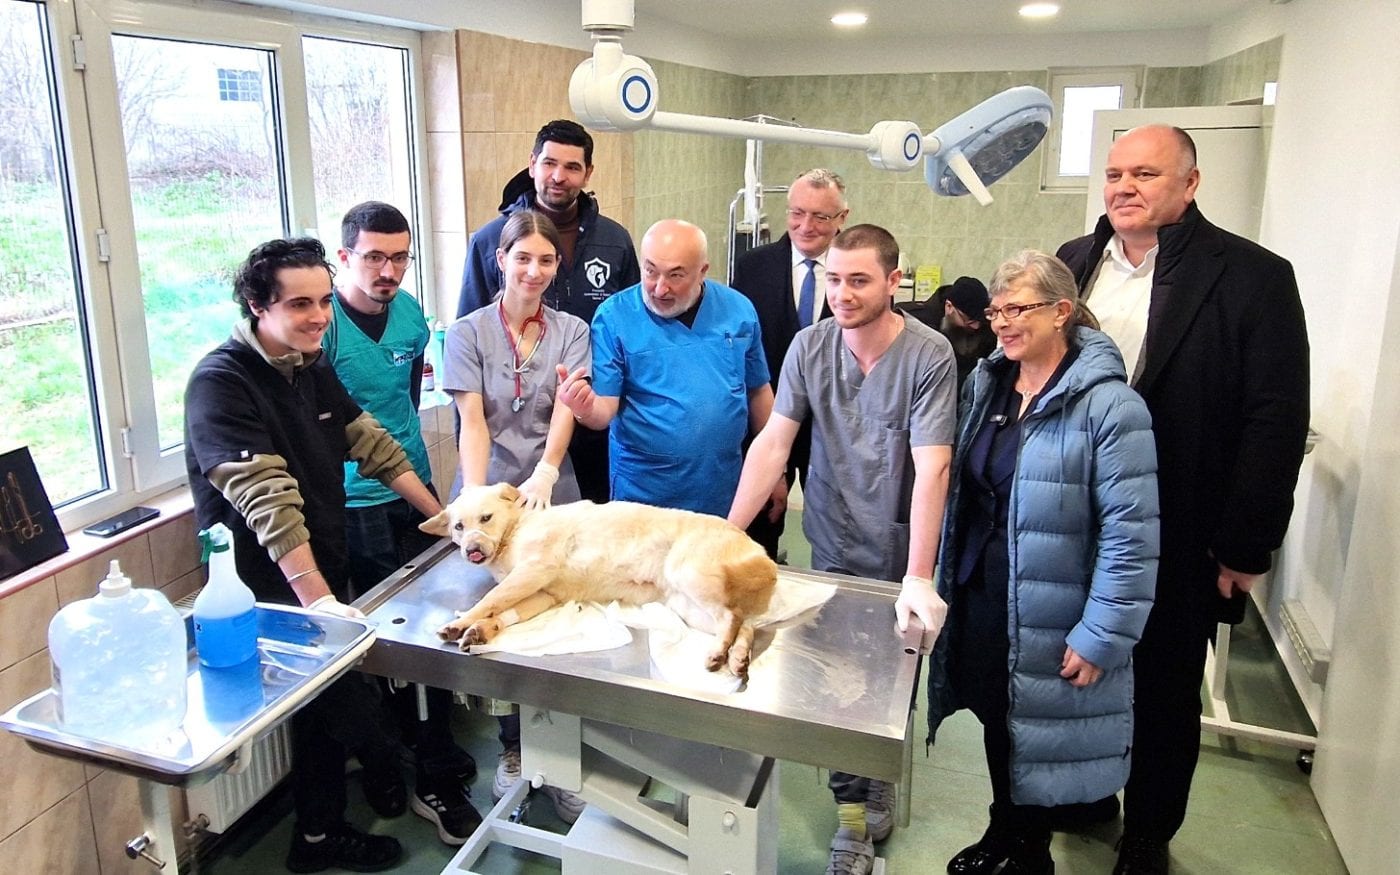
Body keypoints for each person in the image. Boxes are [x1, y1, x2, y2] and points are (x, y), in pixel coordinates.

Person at [1055, 124, 1310, 874]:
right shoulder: (1073, 264)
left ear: (1190, 183)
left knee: (1164, 688)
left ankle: (1148, 832)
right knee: (1079, 667)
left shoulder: (1252, 276)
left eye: (1144, 173)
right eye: (1113, 173)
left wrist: (1245, 543)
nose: (1123, 187)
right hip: (1075, 518)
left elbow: (1275, 414)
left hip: (1180, 524)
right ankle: (1089, 793)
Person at [184, 237, 443, 873]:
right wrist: (319, 602)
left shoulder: (307, 365)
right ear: (255, 304)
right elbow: (265, 498)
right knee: (356, 721)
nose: (319, 317)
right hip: (263, 587)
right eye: (300, 304)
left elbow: (371, 445)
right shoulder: (221, 383)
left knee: (324, 720)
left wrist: (442, 520)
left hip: (322, 564)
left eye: (324, 301)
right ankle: (333, 822)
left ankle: (317, 838)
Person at [726, 224, 956, 875]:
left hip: (898, 556)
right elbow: (774, 443)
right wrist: (730, 529)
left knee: (887, 690)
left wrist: (918, 573)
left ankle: (873, 771)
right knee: (837, 690)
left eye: (859, 280)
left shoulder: (929, 355)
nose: (843, 293)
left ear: (892, 280)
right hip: (831, 546)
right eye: (833, 279)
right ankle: (852, 820)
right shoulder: (811, 346)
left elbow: (932, 466)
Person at [928, 250, 1159, 875]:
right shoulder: (989, 383)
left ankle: (1027, 851)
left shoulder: (1111, 408)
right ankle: (1006, 831)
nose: (1001, 322)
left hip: (1057, 605)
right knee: (999, 719)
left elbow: (1131, 536)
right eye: (997, 310)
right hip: (984, 591)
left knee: (1036, 730)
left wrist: (1102, 633)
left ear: (1062, 312)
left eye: (1019, 308)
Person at [322, 201, 481, 846]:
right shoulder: (322, 326)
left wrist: (434, 504)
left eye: (399, 257)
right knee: (377, 645)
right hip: (349, 506)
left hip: (414, 492)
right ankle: (398, 765)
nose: (388, 270)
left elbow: (405, 404)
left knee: (434, 630)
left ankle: (433, 764)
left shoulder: (411, 316)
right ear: (344, 258)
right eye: (373, 257)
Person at [442, 210, 592, 823]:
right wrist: (478, 503)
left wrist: (548, 470)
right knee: (496, 617)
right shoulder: (468, 332)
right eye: (522, 258)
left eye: (547, 260)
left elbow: (566, 405)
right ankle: (513, 748)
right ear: (499, 260)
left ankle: (563, 756)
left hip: (550, 494)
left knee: (558, 609)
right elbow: (472, 421)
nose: (534, 271)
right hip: (489, 497)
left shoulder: (572, 329)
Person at [458, 119, 640, 504]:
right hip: (504, 435)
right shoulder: (490, 239)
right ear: (532, 165)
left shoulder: (615, 241)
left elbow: (633, 327)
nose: (559, 176)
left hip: (592, 426)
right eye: (549, 163)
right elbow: (470, 338)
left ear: (588, 173)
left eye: (573, 167)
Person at [558, 219, 773, 517]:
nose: (660, 288)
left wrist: (776, 471)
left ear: (702, 272)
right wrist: (583, 408)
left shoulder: (738, 310)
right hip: (644, 490)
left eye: (676, 275)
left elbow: (758, 389)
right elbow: (604, 410)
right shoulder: (614, 316)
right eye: (650, 271)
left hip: (720, 484)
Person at [729, 168, 848, 557]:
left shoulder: (857, 272)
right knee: (758, 537)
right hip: (766, 421)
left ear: (842, 218)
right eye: (797, 213)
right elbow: (740, 353)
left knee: (839, 538)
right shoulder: (752, 268)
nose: (806, 225)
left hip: (836, 429)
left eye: (820, 216)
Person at [930, 275, 997, 391]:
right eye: (969, 321)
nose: (976, 326)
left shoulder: (987, 326)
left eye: (979, 321)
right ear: (949, 307)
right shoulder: (925, 324)